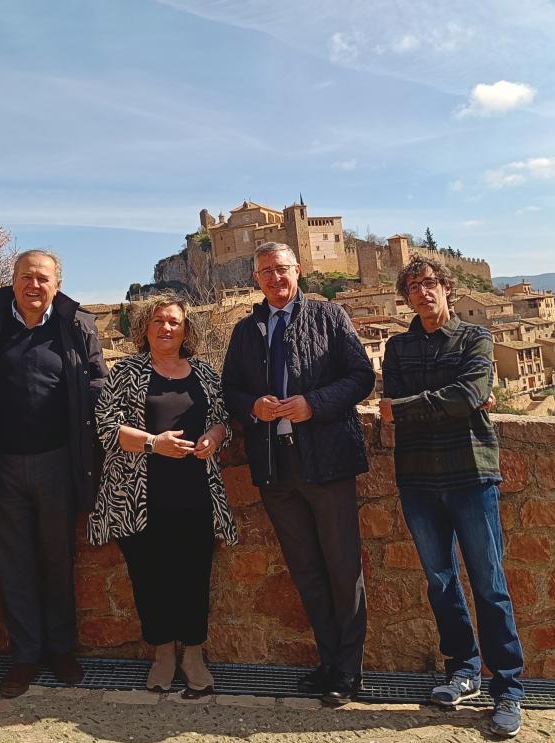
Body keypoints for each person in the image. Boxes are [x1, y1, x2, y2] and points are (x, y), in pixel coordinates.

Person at [222, 242, 375, 705]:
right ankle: (329, 663)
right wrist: (253, 405)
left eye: (281, 269)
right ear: (256, 280)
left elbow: (361, 377)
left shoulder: (329, 316)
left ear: (299, 270)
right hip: (275, 467)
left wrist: (315, 403)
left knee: (342, 567)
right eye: (265, 271)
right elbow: (229, 389)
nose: (274, 277)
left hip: (326, 460)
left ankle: (348, 671)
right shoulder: (247, 330)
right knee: (306, 569)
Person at [380, 257, 525, 738]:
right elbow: (454, 399)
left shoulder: (475, 338)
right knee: (441, 582)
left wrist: (408, 406)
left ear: (447, 288)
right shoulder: (397, 348)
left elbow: (468, 393)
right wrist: (449, 400)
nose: (423, 293)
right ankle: (462, 671)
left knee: (489, 584)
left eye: (430, 284)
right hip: (417, 480)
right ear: (406, 298)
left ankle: (508, 688)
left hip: (471, 475)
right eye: (414, 287)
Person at [0, 250, 108, 698]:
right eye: (26, 277)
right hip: (3, 463)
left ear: (57, 283)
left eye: (43, 278)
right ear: (12, 281)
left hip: (57, 461)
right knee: (14, 563)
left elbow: (97, 383)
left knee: (56, 557)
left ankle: (61, 649)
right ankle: (25, 656)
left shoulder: (76, 324)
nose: (34, 285)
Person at [88, 294, 236, 696]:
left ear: (186, 329)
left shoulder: (205, 374)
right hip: (137, 498)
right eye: (158, 322)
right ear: (144, 329)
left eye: (174, 322)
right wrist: (154, 442)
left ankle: (193, 653)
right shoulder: (127, 372)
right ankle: (163, 653)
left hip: (195, 494)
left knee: (193, 577)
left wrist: (212, 438)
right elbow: (106, 427)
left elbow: (223, 420)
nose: (166, 328)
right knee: (149, 578)